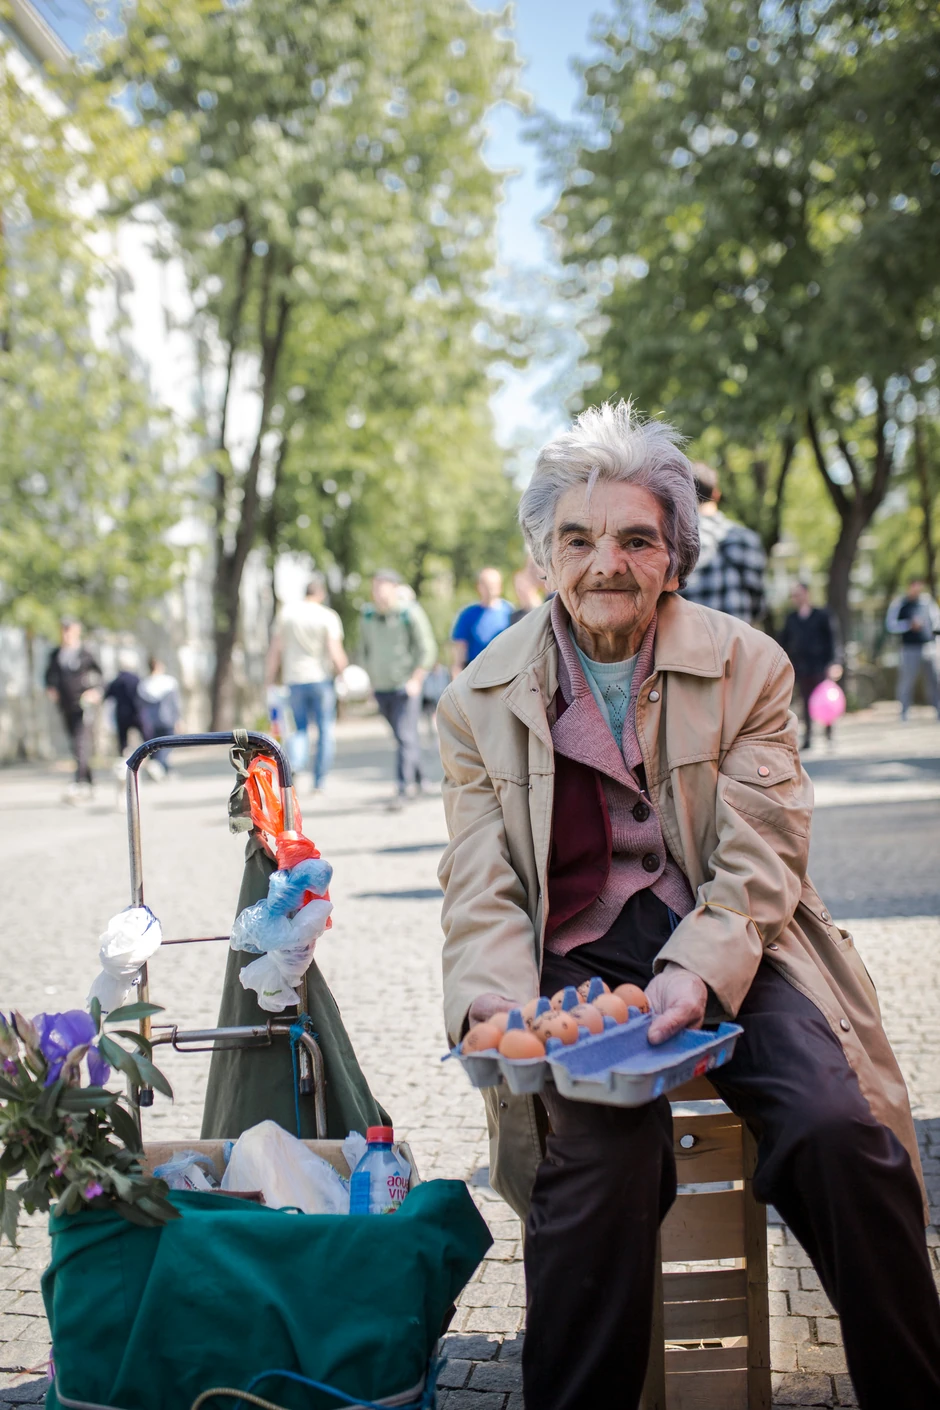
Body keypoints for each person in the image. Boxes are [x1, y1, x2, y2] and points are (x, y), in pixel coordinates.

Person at [436, 401, 940, 1410]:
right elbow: (481, 876)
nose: (605, 564)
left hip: (739, 940)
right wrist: (492, 1006)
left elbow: (761, 854)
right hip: (574, 955)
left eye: (635, 538)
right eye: (576, 539)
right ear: (541, 555)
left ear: (675, 556)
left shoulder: (749, 664)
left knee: (841, 1131)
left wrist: (694, 972)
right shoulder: (475, 701)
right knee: (592, 1166)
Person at [359, 570, 437, 807]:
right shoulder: (368, 617)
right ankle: (421, 777)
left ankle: (403, 788)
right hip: (382, 688)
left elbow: (427, 648)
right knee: (403, 737)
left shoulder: (409, 613)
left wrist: (416, 679)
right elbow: (365, 650)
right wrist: (370, 683)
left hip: (406, 687)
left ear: (394, 588)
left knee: (404, 735)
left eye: (382, 586)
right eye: (375, 587)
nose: (378, 592)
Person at [267, 574, 347, 791]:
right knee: (324, 730)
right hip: (321, 680)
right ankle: (319, 781)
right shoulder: (327, 616)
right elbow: (334, 650)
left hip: (294, 680)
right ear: (320, 594)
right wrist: (345, 673)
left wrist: (269, 679)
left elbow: (276, 649)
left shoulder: (287, 614)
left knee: (299, 728)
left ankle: (298, 764)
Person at [679, 461, 766, 625]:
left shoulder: (677, 542)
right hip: (739, 644)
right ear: (716, 494)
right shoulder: (747, 539)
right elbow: (758, 607)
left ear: (686, 495)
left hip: (691, 643)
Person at [45, 618, 103, 802]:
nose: (66, 634)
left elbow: (100, 676)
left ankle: (79, 782)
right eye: (64, 631)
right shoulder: (56, 654)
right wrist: (51, 689)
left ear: (77, 632)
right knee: (76, 742)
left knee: (81, 740)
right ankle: (89, 780)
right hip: (65, 706)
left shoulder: (85, 653)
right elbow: (48, 676)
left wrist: (95, 692)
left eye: (69, 630)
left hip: (83, 705)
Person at [778, 583, 842, 749]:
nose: (796, 598)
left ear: (807, 594)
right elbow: (782, 643)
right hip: (801, 667)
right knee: (805, 702)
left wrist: (834, 663)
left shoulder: (822, 615)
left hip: (821, 666)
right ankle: (808, 737)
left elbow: (833, 641)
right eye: (794, 595)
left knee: (825, 701)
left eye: (799, 594)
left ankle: (829, 735)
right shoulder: (791, 618)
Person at [885, 578, 940, 721]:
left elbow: (936, 620)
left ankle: (938, 710)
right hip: (909, 648)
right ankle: (904, 712)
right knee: (907, 681)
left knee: (934, 679)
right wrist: (908, 625)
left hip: (928, 646)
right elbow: (891, 625)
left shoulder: (927, 602)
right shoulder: (900, 603)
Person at [451, 568, 513, 676]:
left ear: (500, 586)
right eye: (486, 585)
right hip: (474, 673)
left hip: (503, 672)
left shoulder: (510, 612)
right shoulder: (467, 614)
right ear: (479, 587)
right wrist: (456, 673)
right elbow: (460, 649)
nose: (490, 589)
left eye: (493, 584)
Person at [136, 657, 182, 778]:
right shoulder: (169, 682)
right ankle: (158, 765)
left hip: (150, 720)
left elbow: (140, 706)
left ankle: (162, 769)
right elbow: (175, 703)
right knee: (169, 743)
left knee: (155, 745)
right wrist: (178, 719)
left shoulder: (144, 685)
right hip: (167, 718)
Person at [104, 651, 143, 756]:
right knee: (146, 735)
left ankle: (124, 757)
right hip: (135, 712)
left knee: (123, 741)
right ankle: (153, 759)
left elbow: (107, 695)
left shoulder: (117, 680)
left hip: (121, 713)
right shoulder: (136, 679)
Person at [508, 563, 544, 627]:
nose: (520, 590)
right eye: (517, 587)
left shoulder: (545, 608)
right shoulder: (514, 615)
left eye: (523, 585)